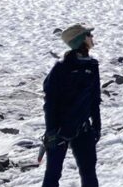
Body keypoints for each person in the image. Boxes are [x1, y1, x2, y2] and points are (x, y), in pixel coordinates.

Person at [41, 23, 101, 187]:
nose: (92, 37)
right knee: (53, 174)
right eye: (89, 35)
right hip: (59, 131)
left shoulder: (92, 65)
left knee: (89, 173)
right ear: (81, 40)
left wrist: (96, 127)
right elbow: (50, 101)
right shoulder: (62, 67)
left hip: (84, 129)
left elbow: (95, 99)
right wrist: (52, 131)